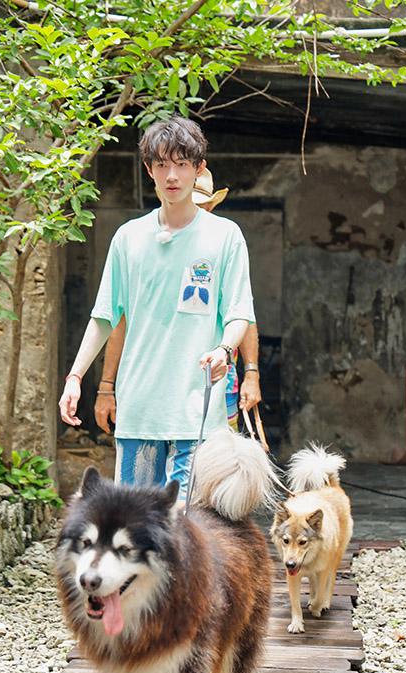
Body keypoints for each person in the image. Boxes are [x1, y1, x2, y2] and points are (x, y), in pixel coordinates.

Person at [59, 117, 256, 499]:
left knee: (185, 528)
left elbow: (238, 313)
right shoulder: (128, 238)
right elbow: (104, 317)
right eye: (162, 165)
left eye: (182, 164)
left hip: (197, 414)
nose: (172, 175)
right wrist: (75, 377)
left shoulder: (225, 236)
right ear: (149, 169)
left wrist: (224, 349)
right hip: (140, 414)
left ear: (198, 169)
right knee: (137, 530)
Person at [94, 168, 262, 436]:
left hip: (215, 382)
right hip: (152, 386)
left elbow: (242, 313)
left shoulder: (223, 242)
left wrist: (251, 374)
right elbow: (118, 319)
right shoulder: (143, 245)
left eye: (201, 206)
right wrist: (106, 386)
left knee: (212, 467)